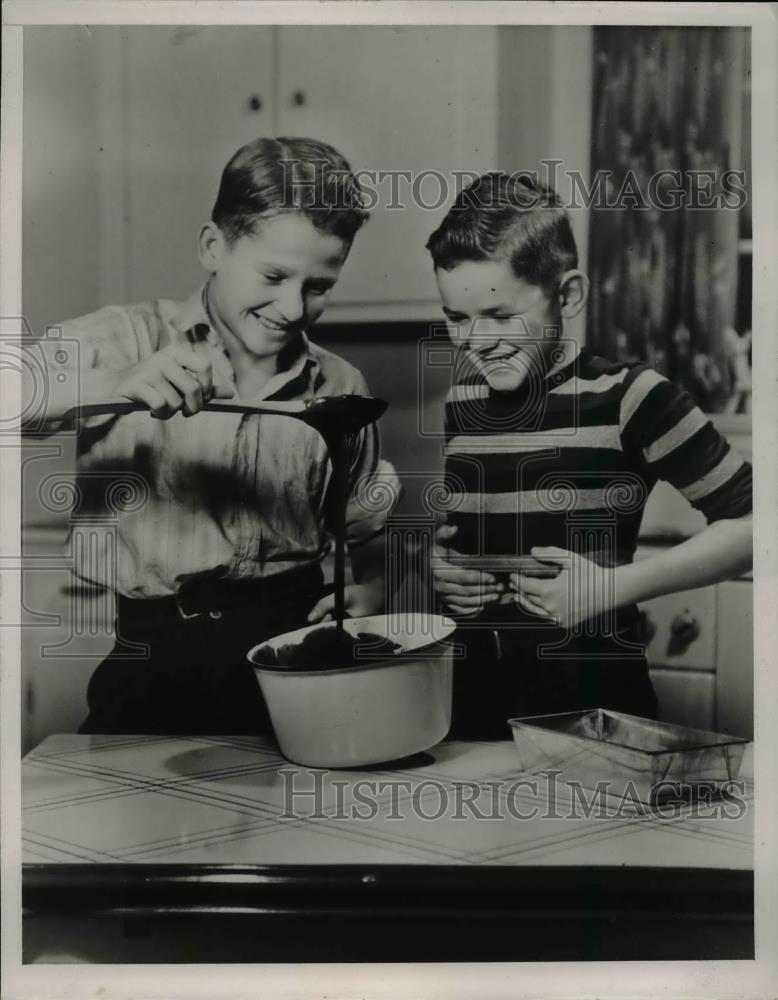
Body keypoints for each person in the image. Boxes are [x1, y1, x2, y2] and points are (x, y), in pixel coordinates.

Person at [24, 136, 398, 735]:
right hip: (150, 661)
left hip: (292, 669)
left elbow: (364, 531)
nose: (293, 307)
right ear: (213, 247)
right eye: (273, 275)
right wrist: (117, 382)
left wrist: (373, 592)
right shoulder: (126, 339)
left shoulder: (341, 384)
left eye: (318, 286)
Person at [426, 172, 753, 738]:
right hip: (468, 702)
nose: (477, 343)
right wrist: (443, 569)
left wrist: (610, 588)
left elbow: (756, 527)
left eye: (502, 316)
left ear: (569, 294)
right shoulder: (461, 401)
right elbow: (481, 533)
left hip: (596, 697)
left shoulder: (632, 395)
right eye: (457, 319)